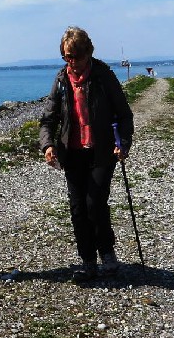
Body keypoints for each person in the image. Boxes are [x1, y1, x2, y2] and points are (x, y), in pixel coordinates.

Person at [39, 26, 134, 282]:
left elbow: (124, 114)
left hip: (102, 151)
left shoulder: (103, 76)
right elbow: (48, 118)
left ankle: (106, 252)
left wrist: (123, 143)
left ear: (88, 53)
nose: (73, 63)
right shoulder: (61, 80)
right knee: (78, 208)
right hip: (73, 153)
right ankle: (87, 260)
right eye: (67, 57)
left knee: (95, 204)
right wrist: (48, 146)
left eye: (77, 57)